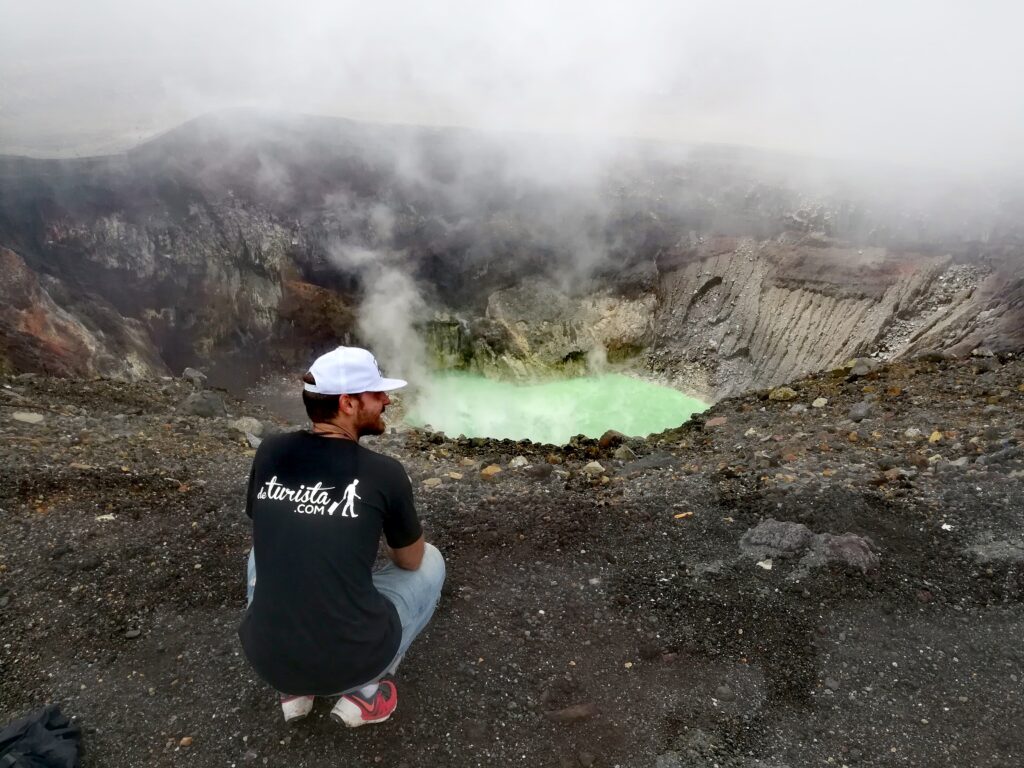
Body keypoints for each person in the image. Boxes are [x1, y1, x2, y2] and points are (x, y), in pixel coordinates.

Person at [238, 346, 445, 727]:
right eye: (376, 394)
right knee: (431, 561)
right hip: (350, 660)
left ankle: (295, 688)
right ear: (348, 403)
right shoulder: (384, 473)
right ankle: (365, 693)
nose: (386, 400)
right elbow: (409, 561)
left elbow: (268, 526)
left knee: (261, 553)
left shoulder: (270, 451)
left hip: (268, 658)